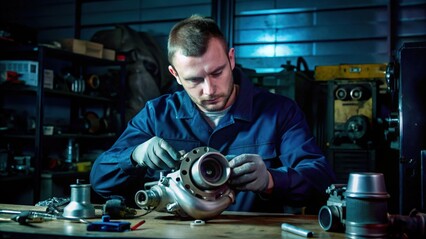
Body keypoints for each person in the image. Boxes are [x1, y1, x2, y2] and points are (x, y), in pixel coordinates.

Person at [90, 15, 336, 213]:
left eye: (217, 72)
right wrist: (135, 155)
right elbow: (101, 181)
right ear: (175, 74)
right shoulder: (156, 115)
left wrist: (271, 180)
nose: (210, 90)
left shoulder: (280, 111)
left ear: (231, 59)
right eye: (195, 79)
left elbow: (321, 180)